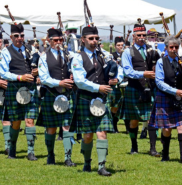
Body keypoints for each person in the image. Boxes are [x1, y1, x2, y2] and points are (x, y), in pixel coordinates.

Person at [71, 25, 118, 176]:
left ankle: (101, 166)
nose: (94, 41)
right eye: (91, 38)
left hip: (101, 99)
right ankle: (86, 162)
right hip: (86, 98)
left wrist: (117, 79)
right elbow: (79, 81)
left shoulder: (104, 54)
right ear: (83, 40)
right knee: (88, 135)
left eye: (96, 38)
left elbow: (118, 69)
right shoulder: (78, 58)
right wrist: (98, 87)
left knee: (102, 132)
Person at [149, 35, 182, 164]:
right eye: (171, 47)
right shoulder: (161, 62)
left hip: (180, 98)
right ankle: (165, 153)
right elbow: (159, 82)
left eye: (176, 47)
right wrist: (175, 91)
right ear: (166, 48)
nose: (174, 49)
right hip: (165, 97)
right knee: (167, 129)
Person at [37, 27, 76, 166]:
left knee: (67, 126)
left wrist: (73, 76)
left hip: (66, 94)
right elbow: (44, 78)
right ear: (50, 41)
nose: (59, 42)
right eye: (56, 40)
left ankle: (68, 158)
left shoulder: (69, 55)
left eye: (61, 39)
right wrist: (60, 82)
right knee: (51, 128)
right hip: (51, 94)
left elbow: (76, 69)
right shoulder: (43, 57)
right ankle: (50, 155)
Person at [0, 23, 39, 161]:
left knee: (30, 120)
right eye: (16, 36)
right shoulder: (5, 52)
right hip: (14, 89)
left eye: (22, 35)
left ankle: (31, 151)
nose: (19, 38)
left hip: (30, 88)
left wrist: (37, 71)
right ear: (11, 37)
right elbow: (3, 73)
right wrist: (19, 77)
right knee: (16, 121)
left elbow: (41, 64)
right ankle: (13, 149)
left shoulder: (31, 49)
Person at [121, 23, 160, 156]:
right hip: (134, 88)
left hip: (149, 88)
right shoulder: (128, 51)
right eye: (139, 35)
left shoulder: (152, 50)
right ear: (134, 36)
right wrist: (144, 74)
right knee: (134, 120)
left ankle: (153, 148)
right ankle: (134, 146)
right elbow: (127, 72)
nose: (142, 37)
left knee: (151, 119)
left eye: (144, 35)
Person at [108, 36, 125, 133]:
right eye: (118, 45)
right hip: (114, 83)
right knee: (113, 104)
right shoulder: (111, 55)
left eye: (122, 45)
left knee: (118, 105)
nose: (120, 47)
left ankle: (115, 124)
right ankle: (112, 124)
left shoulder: (127, 54)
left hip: (125, 81)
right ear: (115, 46)